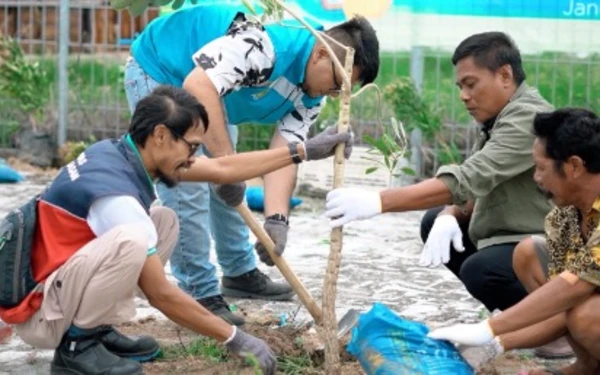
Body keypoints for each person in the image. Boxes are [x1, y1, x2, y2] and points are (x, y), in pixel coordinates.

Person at [0, 86, 353, 375]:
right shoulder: (117, 198)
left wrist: (302, 151)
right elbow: (161, 295)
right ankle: (78, 347)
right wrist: (233, 337)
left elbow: (221, 169)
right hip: (41, 313)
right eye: (192, 146)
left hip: (54, 285)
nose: (193, 157)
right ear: (160, 135)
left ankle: (96, 329)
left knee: (163, 220)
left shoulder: (117, 153)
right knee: (134, 239)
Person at [124, 3, 380, 326]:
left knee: (231, 175)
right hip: (163, 69)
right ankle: (198, 295)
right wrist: (226, 165)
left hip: (214, 89)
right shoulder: (266, 47)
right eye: (336, 84)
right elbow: (198, 85)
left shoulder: (312, 92)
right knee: (189, 182)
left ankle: (239, 271)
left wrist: (277, 219)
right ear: (320, 55)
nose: (333, 95)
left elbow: (286, 153)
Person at [323, 32, 571, 356]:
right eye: (460, 88)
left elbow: (470, 177)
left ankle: (557, 329)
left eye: (471, 84)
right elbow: (481, 184)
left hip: (547, 244)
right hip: (514, 235)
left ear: (505, 75)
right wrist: (449, 214)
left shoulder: (528, 119)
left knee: (482, 269)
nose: (465, 96)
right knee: (434, 221)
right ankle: (522, 317)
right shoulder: (500, 117)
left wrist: (379, 201)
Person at [427, 108, 600, 375]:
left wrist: (488, 329)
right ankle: (586, 368)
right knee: (529, 253)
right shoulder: (563, 218)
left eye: (541, 168)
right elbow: (559, 307)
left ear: (574, 166)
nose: (536, 178)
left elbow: (575, 288)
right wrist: (495, 344)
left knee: (586, 315)